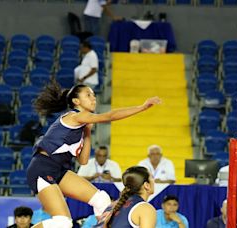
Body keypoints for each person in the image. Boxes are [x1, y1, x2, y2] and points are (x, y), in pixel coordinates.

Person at [27, 79, 161, 228]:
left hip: (59, 170)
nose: (93, 98)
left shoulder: (81, 124)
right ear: (76, 101)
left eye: (93, 95)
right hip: (42, 168)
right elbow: (109, 116)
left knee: (102, 200)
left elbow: (83, 160)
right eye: (88, 95)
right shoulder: (74, 115)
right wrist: (141, 107)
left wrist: (88, 131)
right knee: (62, 223)